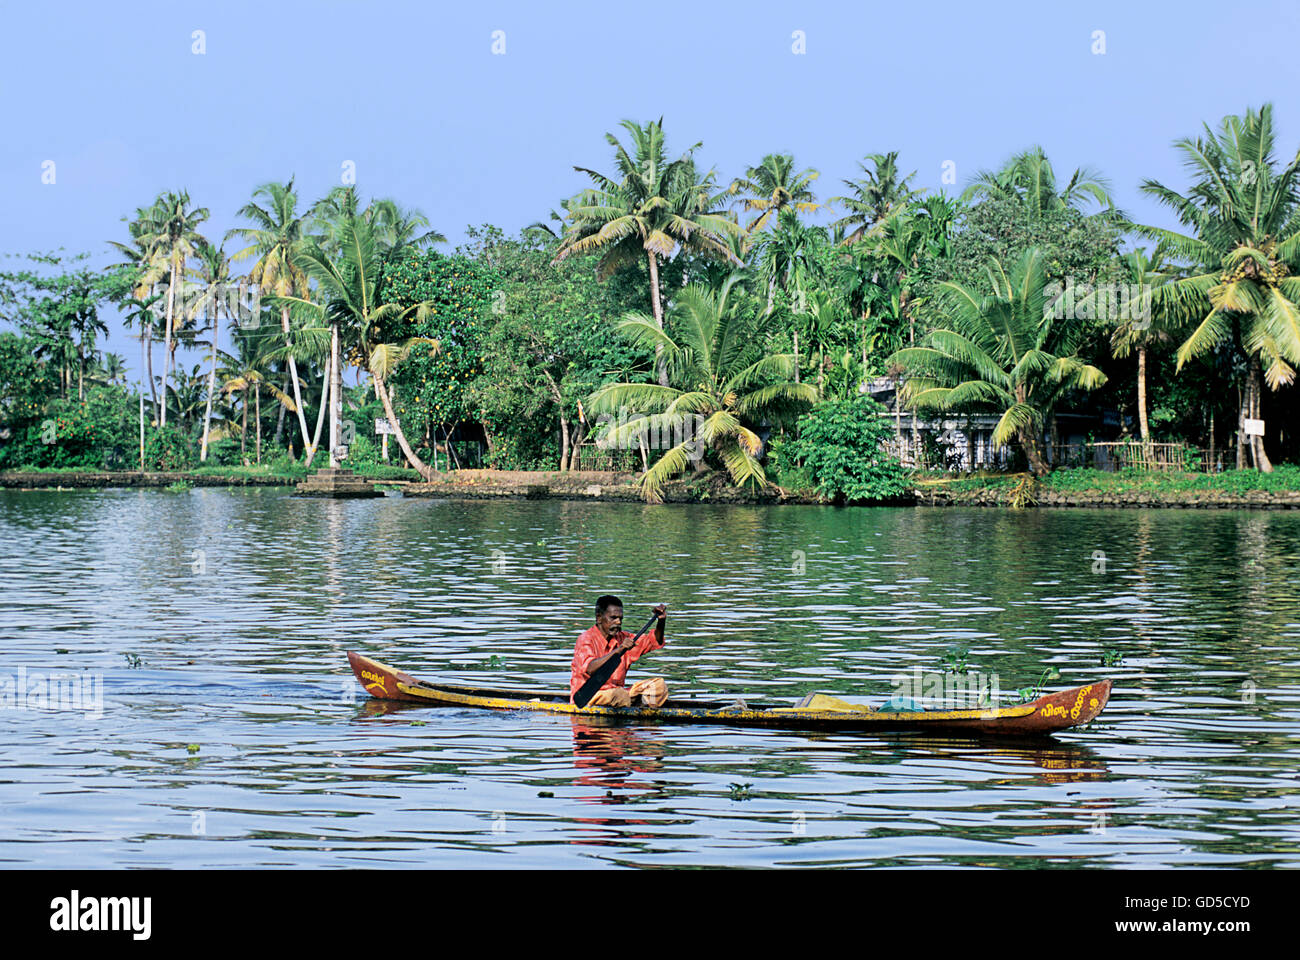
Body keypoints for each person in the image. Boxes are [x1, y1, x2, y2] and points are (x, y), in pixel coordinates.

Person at [570, 596, 668, 708]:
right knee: (618, 695)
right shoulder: (585, 639)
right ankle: (632, 706)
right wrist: (619, 650)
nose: (618, 622)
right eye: (613, 618)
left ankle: (637, 708)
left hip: (620, 695)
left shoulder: (623, 638)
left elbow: (654, 641)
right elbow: (590, 668)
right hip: (589, 697)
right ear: (599, 618)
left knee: (659, 686)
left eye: (620, 619)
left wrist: (661, 620)